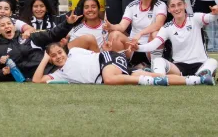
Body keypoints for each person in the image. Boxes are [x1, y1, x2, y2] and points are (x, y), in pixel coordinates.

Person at [32, 42, 214, 85]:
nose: (58, 57)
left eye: (59, 52)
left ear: (64, 50)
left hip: (107, 61)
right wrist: (44, 58)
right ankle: (196, 80)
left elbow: (97, 55)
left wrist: (106, 48)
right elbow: (36, 80)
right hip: (109, 73)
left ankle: (144, 79)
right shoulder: (59, 74)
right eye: (53, 56)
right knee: (158, 77)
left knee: (110, 78)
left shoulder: (74, 51)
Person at [128, 0, 218, 81]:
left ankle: (198, 76)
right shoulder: (167, 27)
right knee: (158, 60)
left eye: (179, 5)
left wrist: (215, 12)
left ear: (185, 5)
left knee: (213, 62)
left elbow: (210, 17)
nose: (177, 8)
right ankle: (161, 78)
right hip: (179, 67)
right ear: (169, 9)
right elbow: (153, 45)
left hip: (200, 64)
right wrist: (137, 47)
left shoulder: (195, 18)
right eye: (173, 6)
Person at [0, 13, 79, 80]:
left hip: (53, 71)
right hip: (33, 80)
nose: (6, 27)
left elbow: (52, 34)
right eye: (2, 25)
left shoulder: (30, 36)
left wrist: (67, 23)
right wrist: (0, 67)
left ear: (14, 26)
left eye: (9, 23)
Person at [103, 0, 167, 67]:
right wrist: (111, 27)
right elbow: (122, 26)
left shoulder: (160, 4)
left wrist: (141, 33)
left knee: (156, 34)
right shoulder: (132, 5)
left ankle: (156, 67)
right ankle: (122, 66)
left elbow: (159, 24)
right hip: (132, 46)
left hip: (149, 47)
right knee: (114, 34)